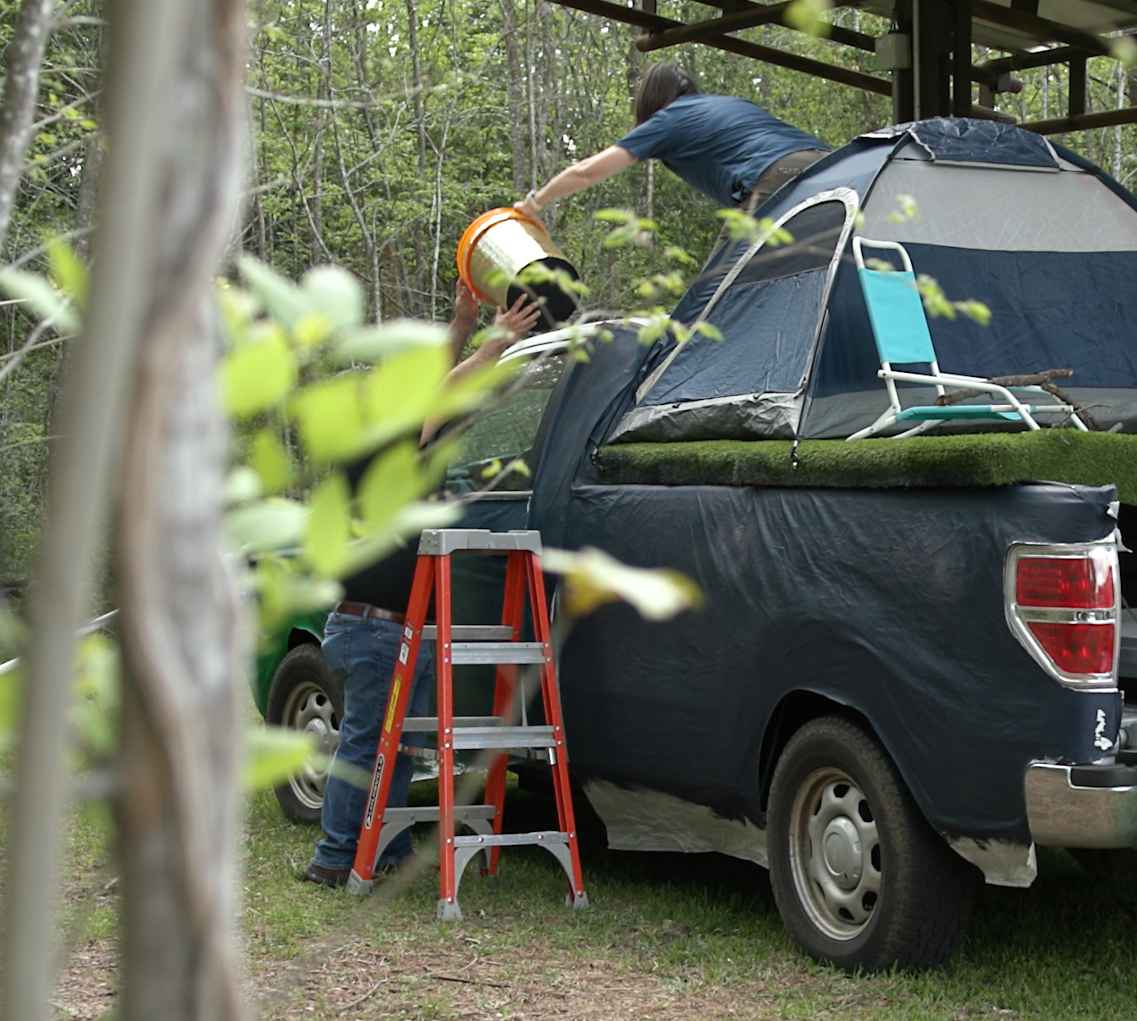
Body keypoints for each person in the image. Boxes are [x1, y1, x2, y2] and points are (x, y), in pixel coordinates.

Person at [301, 282, 541, 888]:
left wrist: (461, 322)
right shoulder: (381, 448)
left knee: (401, 748)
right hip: (374, 627)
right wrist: (494, 343)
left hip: (396, 624)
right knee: (366, 744)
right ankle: (333, 858)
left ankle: (390, 848)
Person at [516, 62, 828, 226]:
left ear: (650, 101)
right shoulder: (728, 103)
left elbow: (587, 172)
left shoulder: (667, 120)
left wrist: (534, 204)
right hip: (830, 166)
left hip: (776, 176)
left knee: (721, 290)